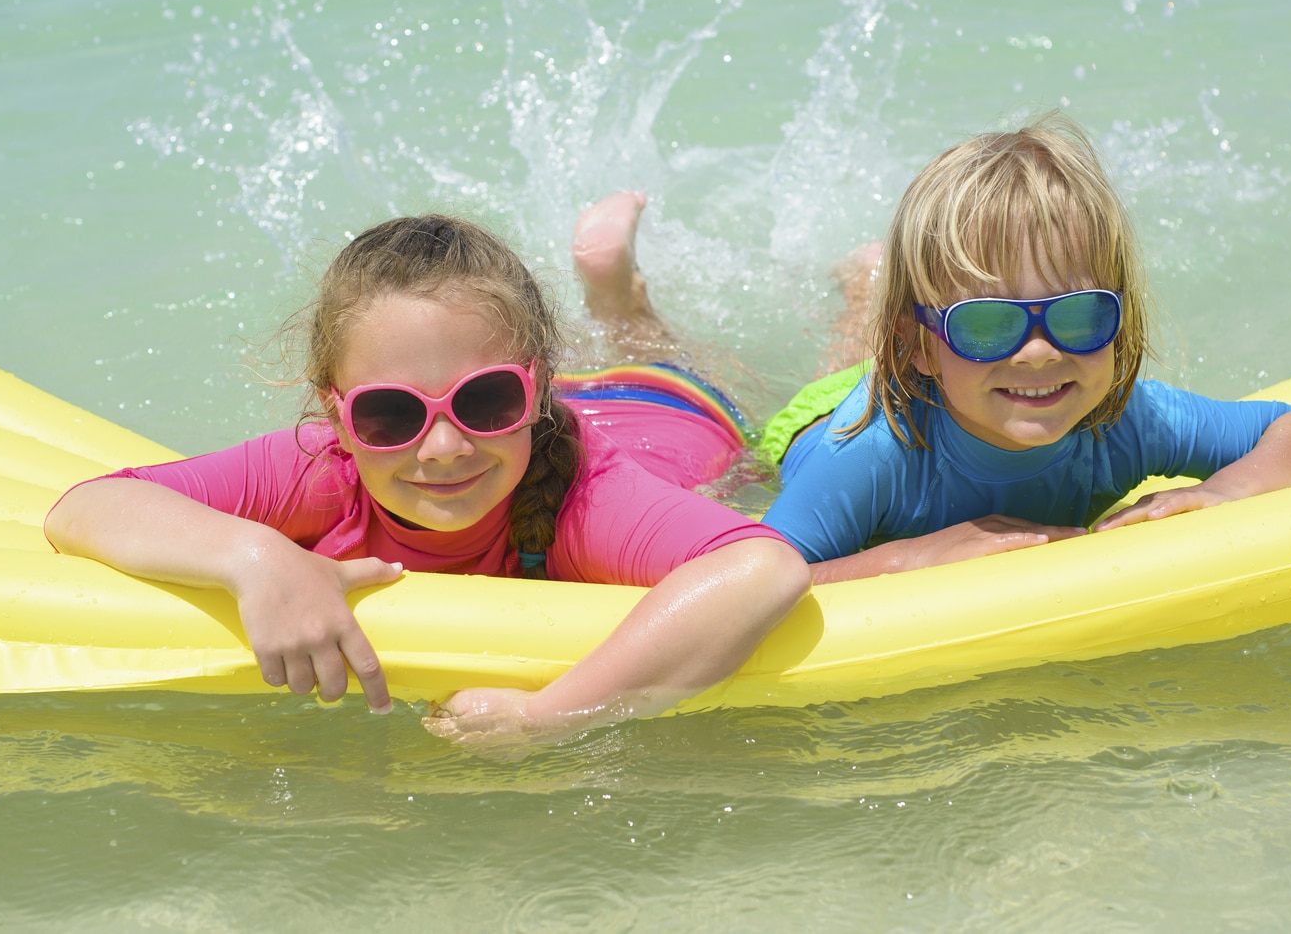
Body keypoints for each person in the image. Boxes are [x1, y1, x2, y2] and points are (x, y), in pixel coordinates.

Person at [44, 204, 810, 745]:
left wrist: (552, 716)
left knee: (795, 377)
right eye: (390, 413)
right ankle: (606, 298)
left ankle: (813, 295)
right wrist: (257, 557)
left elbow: (762, 565)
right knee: (617, 347)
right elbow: (89, 505)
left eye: (484, 397)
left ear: (534, 388)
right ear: (336, 412)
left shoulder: (587, 500)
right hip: (572, 404)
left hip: (678, 415)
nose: (441, 446)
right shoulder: (323, 465)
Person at [754, 110, 1291, 582]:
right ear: (919, 345)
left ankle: (889, 289)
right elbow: (756, 571)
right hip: (837, 413)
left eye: (1079, 315)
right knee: (838, 355)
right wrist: (906, 557)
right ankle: (853, 287)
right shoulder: (868, 456)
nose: (1039, 352)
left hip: (948, 369)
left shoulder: (1123, 420)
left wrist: (1223, 491)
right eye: (987, 324)